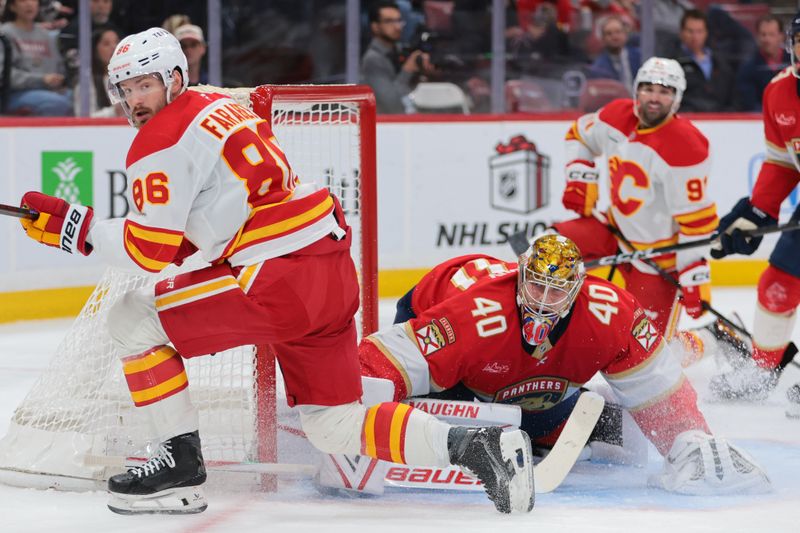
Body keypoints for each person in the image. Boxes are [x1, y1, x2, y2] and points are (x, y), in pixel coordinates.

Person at [16, 27, 534, 515]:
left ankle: (177, 465)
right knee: (334, 424)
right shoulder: (220, 106)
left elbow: (148, 251)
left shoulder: (159, 138)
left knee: (131, 317)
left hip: (275, 278)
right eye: (125, 89)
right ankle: (477, 447)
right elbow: (196, 229)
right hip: (328, 270)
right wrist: (77, 224)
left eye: (145, 85)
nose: (134, 101)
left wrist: (74, 229)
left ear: (174, 78)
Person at [353, 234, 771, 495]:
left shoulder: (610, 313)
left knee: (662, 354)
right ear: (520, 276)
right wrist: (340, 409)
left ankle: (711, 339)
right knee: (445, 410)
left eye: (556, 290)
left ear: (578, 288)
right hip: (435, 316)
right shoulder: (475, 317)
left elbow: (654, 381)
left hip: (521, 374)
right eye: (535, 284)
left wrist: (688, 440)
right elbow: (382, 360)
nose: (542, 300)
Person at [552, 56, 734, 368]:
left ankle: (712, 337)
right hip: (614, 232)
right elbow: (579, 134)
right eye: (648, 88)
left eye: (664, 91)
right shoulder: (614, 115)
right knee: (551, 252)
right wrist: (580, 173)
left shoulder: (687, 146)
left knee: (650, 358)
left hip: (657, 259)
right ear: (636, 90)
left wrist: (693, 272)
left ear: (677, 99)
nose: (654, 97)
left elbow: (697, 222)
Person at [708, 11, 800, 415]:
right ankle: (762, 371)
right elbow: (782, 162)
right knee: (776, 285)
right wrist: (758, 211)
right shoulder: (779, 93)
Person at [0, 0, 72, 116]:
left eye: (33, 0)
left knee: (80, 97)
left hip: (49, 90)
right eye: (23, 1)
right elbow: (4, 74)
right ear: (12, 7)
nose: (29, 4)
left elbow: (58, 67)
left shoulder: (46, 36)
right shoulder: (5, 34)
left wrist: (58, 80)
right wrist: (41, 79)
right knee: (55, 103)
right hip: (15, 93)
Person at [360, 0, 431, 114]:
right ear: (375, 27)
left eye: (399, 20)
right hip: (385, 126)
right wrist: (407, 70)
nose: (397, 27)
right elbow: (393, 106)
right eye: (389, 21)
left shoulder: (401, 51)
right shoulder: (373, 60)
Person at [667, 8, 735, 112]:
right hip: (687, 117)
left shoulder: (720, 62)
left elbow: (731, 95)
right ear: (681, 32)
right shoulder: (672, 63)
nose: (695, 37)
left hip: (721, 120)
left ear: (706, 33)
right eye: (690, 31)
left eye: (699, 31)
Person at [735, 15, 789, 112]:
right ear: (757, 36)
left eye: (771, 34)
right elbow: (750, 104)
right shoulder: (748, 68)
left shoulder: (794, 64)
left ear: (781, 36)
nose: (766, 39)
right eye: (763, 34)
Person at [72, 25, 121, 117]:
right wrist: (114, 111)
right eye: (106, 44)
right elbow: (83, 119)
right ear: (95, 50)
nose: (114, 47)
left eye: (117, 42)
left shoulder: (131, 77)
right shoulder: (86, 83)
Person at [588, 14, 641, 91]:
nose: (614, 37)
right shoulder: (598, 68)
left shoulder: (640, 57)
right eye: (609, 33)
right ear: (603, 39)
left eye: (618, 32)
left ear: (625, 34)